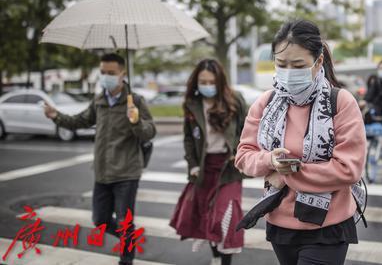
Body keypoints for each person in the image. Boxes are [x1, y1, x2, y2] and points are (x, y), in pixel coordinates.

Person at [235, 19, 366, 265]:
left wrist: (286, 175)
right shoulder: (266, 104)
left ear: (318, 63)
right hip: (280, 223)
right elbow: (244, 156)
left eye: (298, 65)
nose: (288, 72)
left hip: (328, 225)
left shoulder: (340, 102)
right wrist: (269, 159)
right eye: (281, 64)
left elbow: (349, 168)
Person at [44, 53, 156, 265]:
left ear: (123, 74)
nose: (106, 77)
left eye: (111, 73)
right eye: (103, 72)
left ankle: (126, 258)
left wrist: (136, 121)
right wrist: (56, 116)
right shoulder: (100, 100)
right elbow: (80, 121)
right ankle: (130, 240)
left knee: (124, 222)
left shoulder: (135, 101)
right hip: (102, 172)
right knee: (100, 220)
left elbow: (150, 132)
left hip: (126, 173)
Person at [169, 59, 248, 265]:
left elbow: (250, 130)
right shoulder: (192, 105)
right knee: (208, 215)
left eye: (211, 82)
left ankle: (225, 262)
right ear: (196, 82)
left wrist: (239, 150)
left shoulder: (235, 100)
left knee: (225, 217)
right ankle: (215, 257)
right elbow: (188, 138)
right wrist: (193, 165)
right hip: (204, 169)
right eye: (202, 82)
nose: (207, 86)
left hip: (229, 168)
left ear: (220, 81)